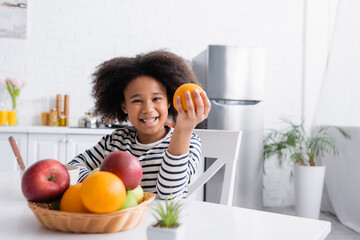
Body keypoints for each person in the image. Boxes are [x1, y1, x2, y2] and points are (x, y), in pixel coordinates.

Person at [68, 50, 211, 199]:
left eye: (156, 99)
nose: (148, 109)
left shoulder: (189, 142)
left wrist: (183, 130)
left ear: (168, 101)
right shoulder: (115, 141)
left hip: (162, 221)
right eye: (137, 100)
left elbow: (169, 195)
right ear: (124, 106)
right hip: (124, 221)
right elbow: (74, 166)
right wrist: (99, 183)